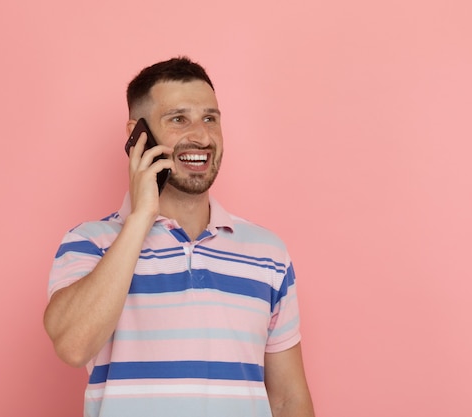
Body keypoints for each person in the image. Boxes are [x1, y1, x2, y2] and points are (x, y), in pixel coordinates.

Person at [44, 56, 315, 417]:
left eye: (210, 119)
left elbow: (287, 400)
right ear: (136, 135)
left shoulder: (267, 252)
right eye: (178, 119)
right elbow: (73, 347)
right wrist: (141, 217)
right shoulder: (90, 242)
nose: (202, 136)